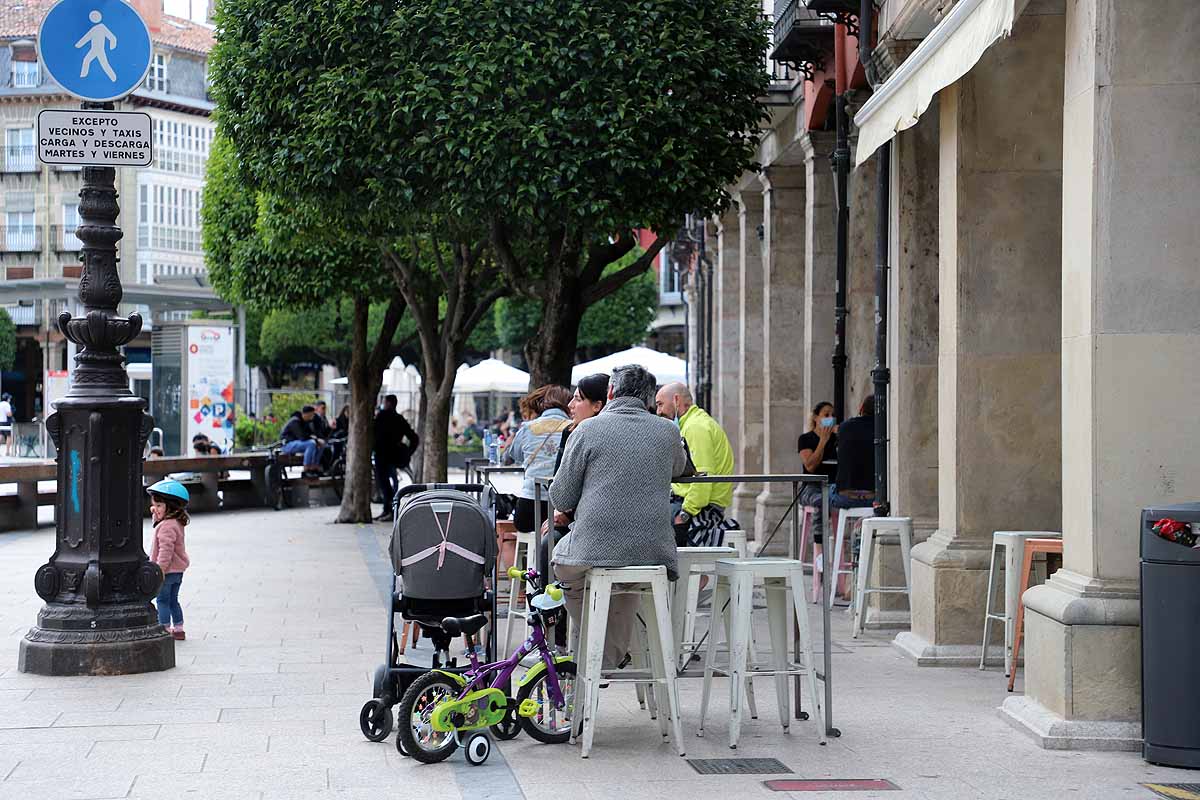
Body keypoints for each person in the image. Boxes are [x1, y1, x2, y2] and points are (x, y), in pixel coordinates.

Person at [550, 365, 687, 669]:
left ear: (611, 392)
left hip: (593, 546)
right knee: (629, 583)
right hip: (653, 550)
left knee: (565, 568)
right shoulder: (668, 430)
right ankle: (610, 656)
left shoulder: (587, 430)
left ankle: (599, 655)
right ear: (651, 399)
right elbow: (680, 468)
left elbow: (561, 497)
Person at [655, 382, 738, 548]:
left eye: (660, 404)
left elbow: (703, 480)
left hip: (699, 508)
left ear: (676, 400)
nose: (658, 412)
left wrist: (684, 514)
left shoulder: (696, 427)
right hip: (695, 504)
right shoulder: (694, 423)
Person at [505, 385, 573, 533]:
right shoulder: (574, 428)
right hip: (562, 511)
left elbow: (515, 456)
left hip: (529, 509)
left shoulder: (528, 427)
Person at [147, 479, 192, 642]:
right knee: (173, 600)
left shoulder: (166, 526)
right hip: (177, 571)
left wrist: (160, 570)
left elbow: (166, 551)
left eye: (159, 506)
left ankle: (164, 628)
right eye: (154, 505)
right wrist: (156, 512)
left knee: (162, 601)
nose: (155, 509)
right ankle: (179, 629)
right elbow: (158, 523)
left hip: (167, 571)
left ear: (170, 507)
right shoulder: (175, 522)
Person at [797, 401, 838, 567]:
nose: (830, 418)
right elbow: (810, 466)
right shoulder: (806, 439)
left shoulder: (837, 439)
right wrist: (823, 440)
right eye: (826, 415)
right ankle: (819, 549)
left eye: (832, 416)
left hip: (833, 486)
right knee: (820, 501)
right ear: (816, 418)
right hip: (811, 487)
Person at [373, 394, 420, 522]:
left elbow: (373, 433)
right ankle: (389, 509)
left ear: (388, 403)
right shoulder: (399, 419)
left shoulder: (381, 416)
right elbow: (414, 438)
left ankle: (388, 509)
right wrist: (408, 452)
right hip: (393, 456)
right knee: (392, 482)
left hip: (382, 455)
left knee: (384, 484)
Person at [833, 395, 876, 510]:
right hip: (874, 498)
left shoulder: (844, 427)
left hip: (846, 498)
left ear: (861, 408)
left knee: (827, 491)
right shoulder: (884, 429)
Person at [280, 405, 326, 477]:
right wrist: (316, 439)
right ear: (306, 414)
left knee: (321, 444)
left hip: (298, 443)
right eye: (311, 415)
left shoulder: (306, 421)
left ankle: (314, 467)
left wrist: (318, 440)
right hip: (287, 445)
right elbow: (302, 437)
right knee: (311, 443)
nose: (313, 417)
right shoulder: (295, 421)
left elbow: (310, 434)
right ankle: (306, 469)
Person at [0, 392, 13, 457]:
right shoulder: (7, 404)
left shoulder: (0, 404)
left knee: (1, 435)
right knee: (9, 436)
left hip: (0, 421)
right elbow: (9, 414)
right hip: (5, 422)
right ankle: (7, 451)